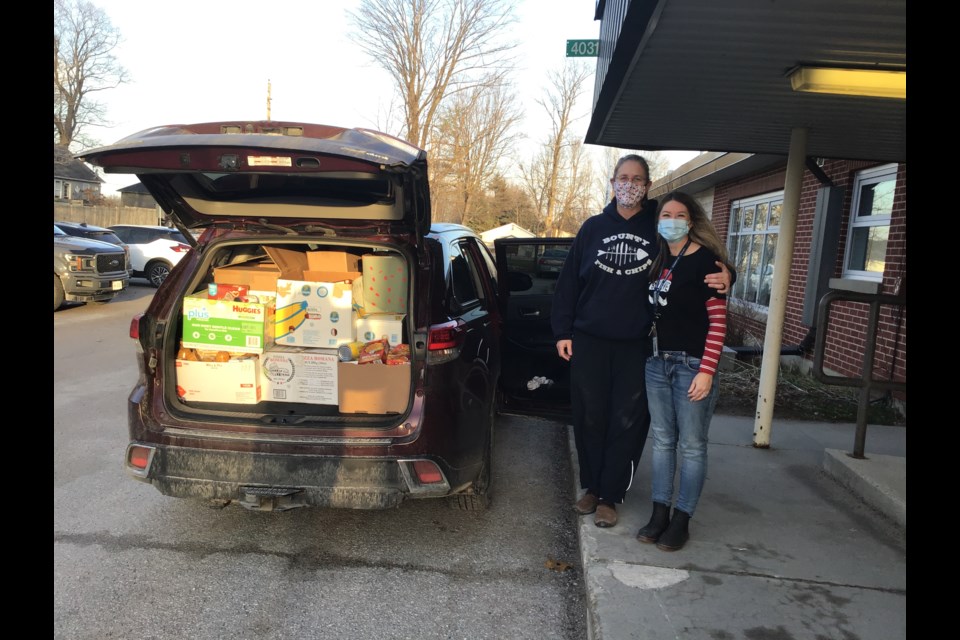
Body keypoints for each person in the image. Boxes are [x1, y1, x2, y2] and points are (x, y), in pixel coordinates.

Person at [552, 156, 732, 529]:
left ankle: (610, 495)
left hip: (637, 344)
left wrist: (730, 273)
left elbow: (699, 263)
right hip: (589, 340)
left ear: (648, 186)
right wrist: (563, 331)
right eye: (623, 178)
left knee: (628, 421)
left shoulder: (660, 227)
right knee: (590, 417)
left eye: (637, 179)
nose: (629, 184)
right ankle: (591, 486)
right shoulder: (593, 228)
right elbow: (569, 283)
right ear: (612, 181)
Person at [635, 191, 732, 551]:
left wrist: (707, 371)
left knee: (691, 446)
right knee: (662, 442)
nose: (670, 220)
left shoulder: (708, 263)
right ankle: (659, 513)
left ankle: (682, 519)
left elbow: (719, 324)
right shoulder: (658, 259)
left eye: (678, 214)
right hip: (657, 364)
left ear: (691, 221)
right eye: (665, 215)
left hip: (693, 366)